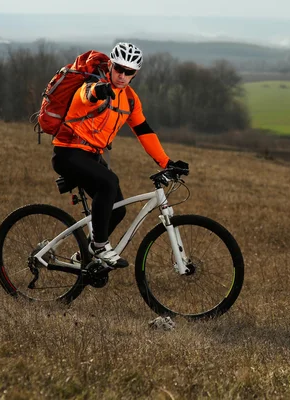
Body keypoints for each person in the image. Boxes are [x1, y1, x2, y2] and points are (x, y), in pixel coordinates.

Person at [51, 42, 188, 269]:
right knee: (109, 182)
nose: (122, 75)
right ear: (110, 66)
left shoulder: (130, 99)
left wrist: (167, 162)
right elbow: (86, 95)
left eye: (129, 72)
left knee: (118, 209)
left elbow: (144, 131)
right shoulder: (94, 84)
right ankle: (100, 246)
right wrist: (98, 91)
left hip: (92, 156)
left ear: (135, 74)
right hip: (68, 152)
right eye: (119, 69)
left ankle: (84, 257)